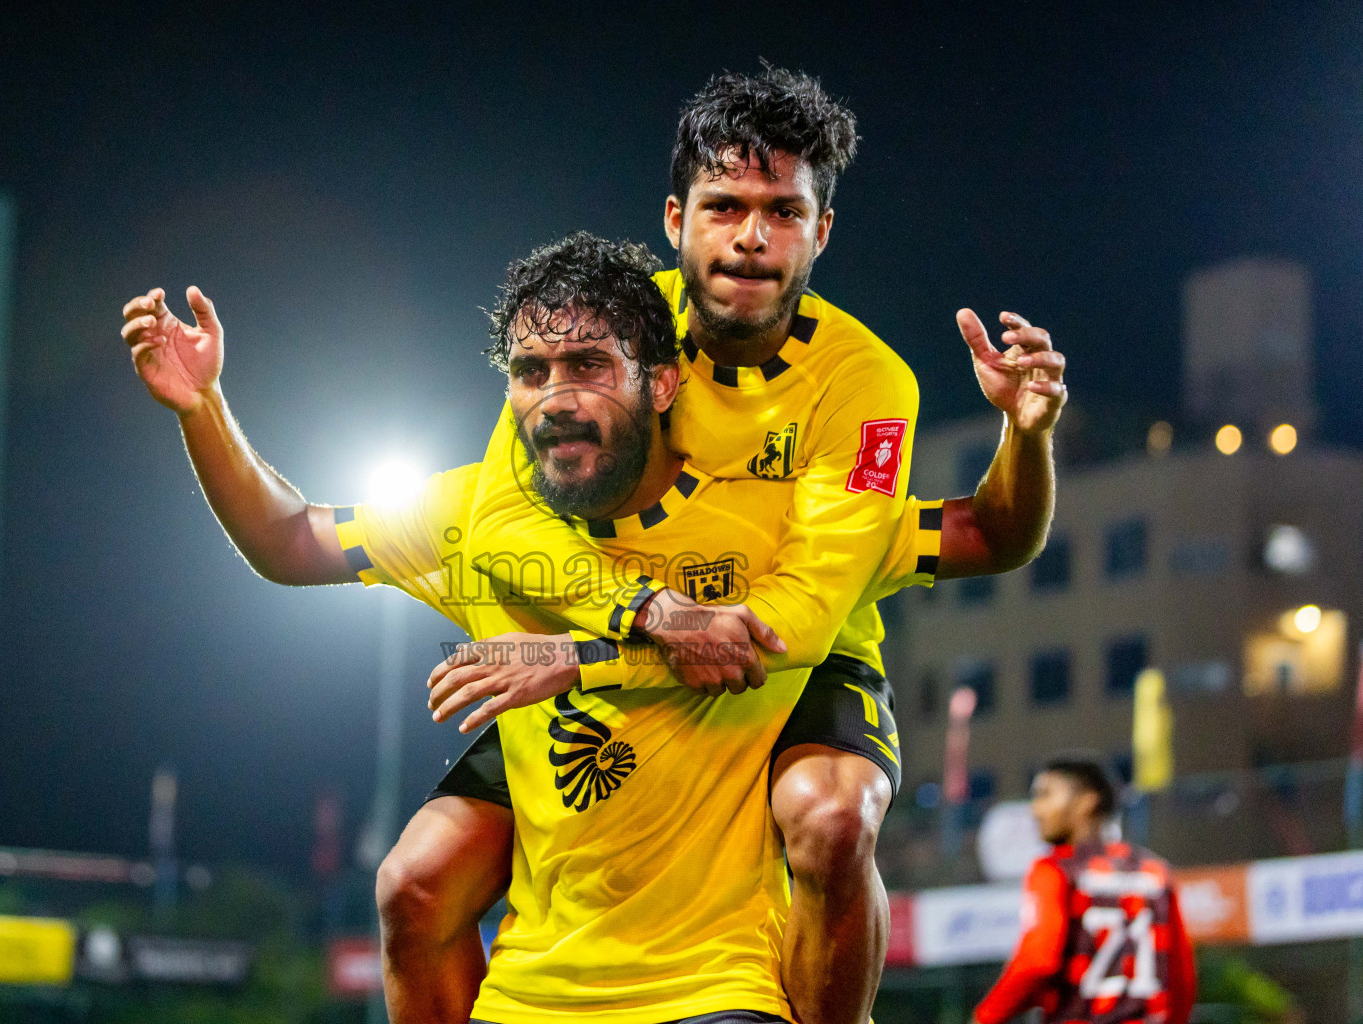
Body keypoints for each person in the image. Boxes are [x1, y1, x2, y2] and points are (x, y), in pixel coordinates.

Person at [381, 67, 1067, 1024]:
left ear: (821, 231)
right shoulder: (602, 335)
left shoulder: (867, 384)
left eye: (783, 211)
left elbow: (798, 618)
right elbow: (502, 519)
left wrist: (584, 659)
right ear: (676, 218)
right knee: (413, 883)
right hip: (621, 644)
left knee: (830, 823)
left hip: (785, 657)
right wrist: (641, 615)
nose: (751, 236)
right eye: (725, 206)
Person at [122, 233, 951, 1022]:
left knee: (834, 815)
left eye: (588, 366)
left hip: (719, 980)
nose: (557, 398)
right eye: (530, 371)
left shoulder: (767, 511)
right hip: (543, 980)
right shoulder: (470, 514)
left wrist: (1025, 436)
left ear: (659, 383)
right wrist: (203, 409)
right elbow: (290, 539)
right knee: (411, 884)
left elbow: (974, 534)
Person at [972, 754, 1197, 1024]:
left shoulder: (1055, 870)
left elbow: (1037, 961)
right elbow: (1182, 977)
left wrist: (985, 1017)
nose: (1035, 810)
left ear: (1086, 801)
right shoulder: (1155, 871)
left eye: (1045, 795)